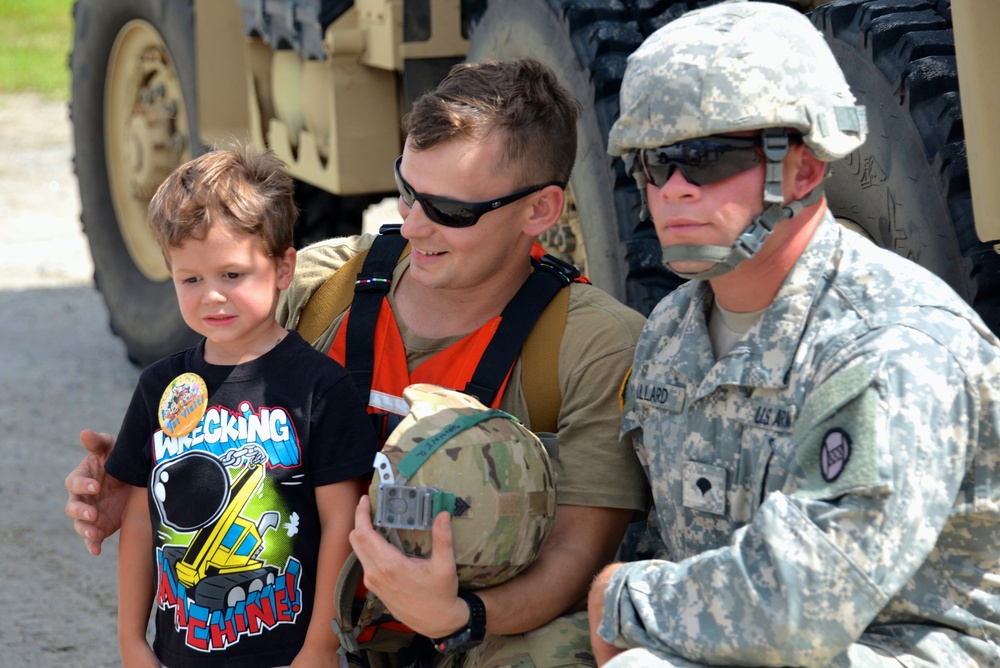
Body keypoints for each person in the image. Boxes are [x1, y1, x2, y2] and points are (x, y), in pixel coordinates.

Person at [67, 59, 650, 666]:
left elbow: (577, 557)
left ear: (540, 210)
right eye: (407, 191)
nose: (416, 223)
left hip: (474, 635)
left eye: (451, 209)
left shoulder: (592, 345)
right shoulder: (323, 288)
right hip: (302, 635)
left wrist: (458, 616)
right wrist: (150, 489)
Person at [586, 2, 1000, 667]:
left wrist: (626, 600)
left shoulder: (891, 344)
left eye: (707, 157)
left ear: (803, 170)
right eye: (653, 162)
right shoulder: (672, 330)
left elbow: (802, 604)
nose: (674, 190)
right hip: (738, 639)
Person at [105, 145, 379, 667]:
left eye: (232, 275)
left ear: (282, 268)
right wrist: (131, 642)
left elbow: (342, 519)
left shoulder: (320, 387)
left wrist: (321, 647)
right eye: (191, 279)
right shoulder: (160, 386)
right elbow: (140, 518)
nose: (211, 296)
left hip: (288, 653)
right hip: (177, 653)